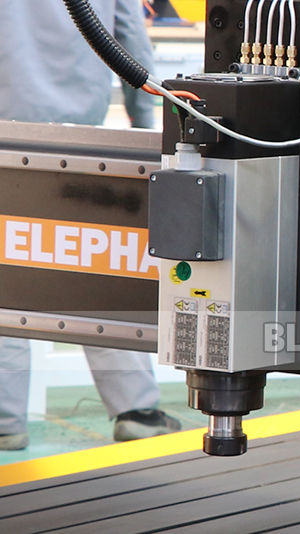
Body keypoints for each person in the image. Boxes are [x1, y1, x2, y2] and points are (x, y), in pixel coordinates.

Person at [0, 0, 180, 450]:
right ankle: (136, 410)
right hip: (81, 136)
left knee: (6, 279)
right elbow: (130, 43)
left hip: (5, 132)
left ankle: (5, 420)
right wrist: (146, 128)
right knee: (93, 274)